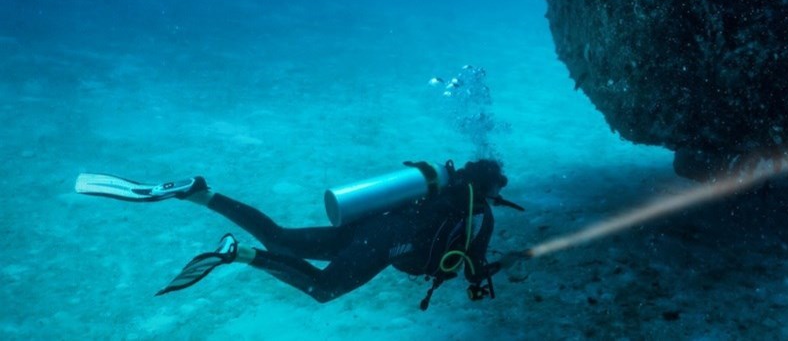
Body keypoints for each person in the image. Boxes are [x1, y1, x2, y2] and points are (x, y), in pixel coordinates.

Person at [76, 159, 526, 308]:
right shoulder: (477, 216)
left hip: (367, 225)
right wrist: (510, 261)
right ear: (490, 191)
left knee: (282, 236)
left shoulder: (438, 189)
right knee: (323, 288)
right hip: (384, 242)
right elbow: (471, 272)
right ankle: (238, 255)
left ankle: (201, 194)